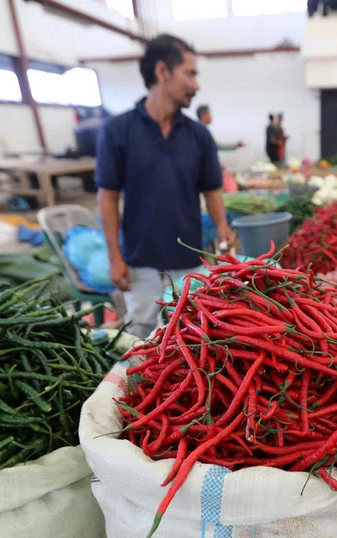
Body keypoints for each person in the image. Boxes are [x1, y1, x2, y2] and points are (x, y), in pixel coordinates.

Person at [96, 34, 235, 339]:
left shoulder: (198, 136)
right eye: (190, 74)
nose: (196, 85)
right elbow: (108, 197)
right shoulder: (118, 131)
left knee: (192, 334)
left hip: (188, 259)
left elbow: (212, 189)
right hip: (139, 260)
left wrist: (222, 226)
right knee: (140, 332)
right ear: (162, 71)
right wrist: (114, 257)